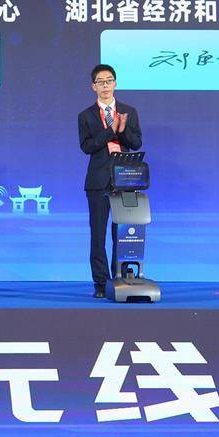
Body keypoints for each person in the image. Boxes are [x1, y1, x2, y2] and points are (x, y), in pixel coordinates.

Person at [78, 64, 142, 299]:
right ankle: (99, 283)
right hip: (98, 182)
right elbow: (86, 147)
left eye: (109, 80)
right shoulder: (85, 116)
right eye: (100, 82)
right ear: (93, 87)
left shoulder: (129, 112)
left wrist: (121, 129)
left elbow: (136, 143)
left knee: (123, 234)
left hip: (125, 181)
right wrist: (109, 130)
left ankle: (120, 278)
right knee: (98, 235)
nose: (105, 85)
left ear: (115, 83)